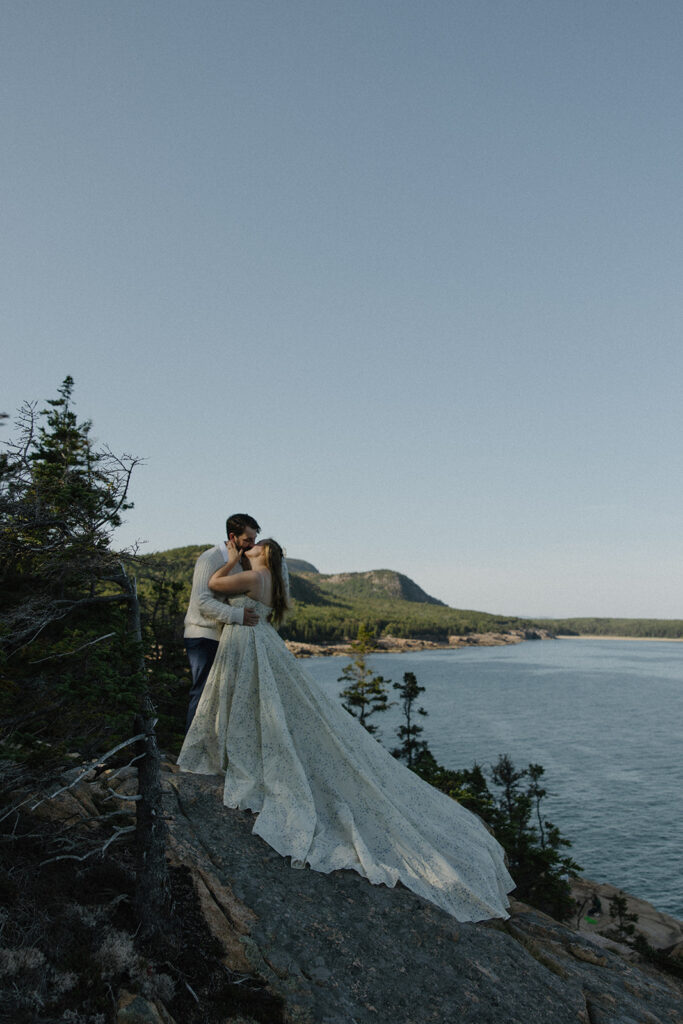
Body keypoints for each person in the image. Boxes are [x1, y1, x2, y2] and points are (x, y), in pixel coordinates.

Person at [177, 538, 514, 922]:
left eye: (254, 548)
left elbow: (215, 586)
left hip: (248, 641)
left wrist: (232, 559)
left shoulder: (253, 574)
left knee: (250, 703)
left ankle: (235, 754)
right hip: (257, 640)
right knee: (261, 705)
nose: (249, 549)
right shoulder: (272, 579)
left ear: (262, 555)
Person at [183, 513, 261, 731]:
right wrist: (238, 616)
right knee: (203, 693)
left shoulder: (241, 562)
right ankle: (191, 756)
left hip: (226, 638)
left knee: (223, 697)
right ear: (232, 536)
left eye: (254, 540)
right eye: (247, 540)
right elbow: (202, 601)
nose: (252, 545)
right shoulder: (210, 559)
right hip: (203, 635)